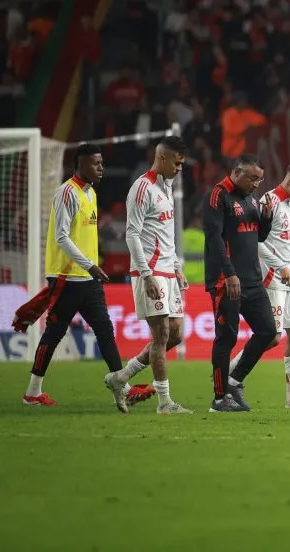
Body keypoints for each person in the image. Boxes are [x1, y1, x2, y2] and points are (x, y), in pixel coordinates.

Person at [21, 144, 130, 412]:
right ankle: (33, 391)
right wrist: (90, 265)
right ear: (79, 164)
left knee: (105, 330)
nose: (101, 168)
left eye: (102, 163)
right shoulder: (66, 193)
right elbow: (61, 237)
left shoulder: (90, 193)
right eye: (95, 163)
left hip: (88, 278)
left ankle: (122, 384)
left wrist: (92, 268)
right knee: (54, 334)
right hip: (67, 276)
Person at [228, 161, 290, 408]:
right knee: (271, 337)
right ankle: (228, 373)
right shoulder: (268, 203)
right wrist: (280, 266)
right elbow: (256, 242)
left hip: (289, 275)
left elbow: (284, 244)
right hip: (271, 276)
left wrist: (288, 268)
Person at [114, 136, 192, 414]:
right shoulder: (142, 187)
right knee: (160, 336)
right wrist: (146, 275)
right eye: (177, 162)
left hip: (168, 272)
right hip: (150, 272)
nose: (180, 168)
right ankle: (164, 403)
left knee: (176, 335)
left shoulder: (167, 187)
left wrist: (177, 268)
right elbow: (132, 233)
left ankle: (120, 378)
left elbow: (164, 235)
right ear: (161, 159)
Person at [203, 154, 278, 413]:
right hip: (228, 280)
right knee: (226, 338)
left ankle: (234, 380)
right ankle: (219, 398)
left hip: (253, 280)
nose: (257, 184)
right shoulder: (218, 195)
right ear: (237, 172)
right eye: (253, 178)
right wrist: (229, 273)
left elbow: (258, 236)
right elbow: (214, 239)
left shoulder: (250, 198)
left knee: (268, 332)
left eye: (260, 179)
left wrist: (266, 218)